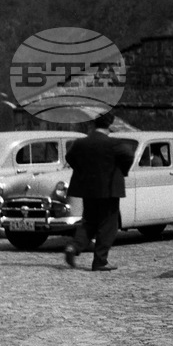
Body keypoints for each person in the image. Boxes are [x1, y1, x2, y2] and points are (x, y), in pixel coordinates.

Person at [63, 112, 135, 272]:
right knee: (108, 224)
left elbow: (70, 157)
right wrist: (121, 171)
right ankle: (100, 261)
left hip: (88, 188)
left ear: (93, 124)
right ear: (109, 124)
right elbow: (129, 156)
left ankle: (73, 247)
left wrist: (84, 172)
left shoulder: (81, 143)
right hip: (109, 188)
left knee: (89, 221)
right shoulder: (114, 143)